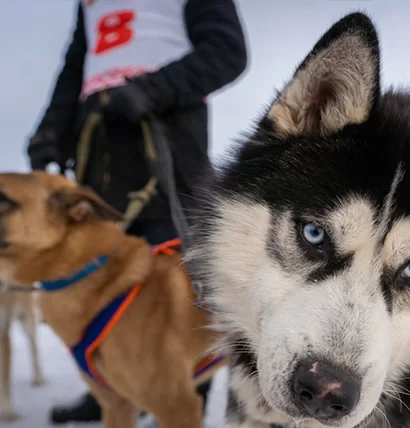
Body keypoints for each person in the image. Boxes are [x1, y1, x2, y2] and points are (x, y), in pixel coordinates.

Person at [26, 0, 248, 424]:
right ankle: (109, 388)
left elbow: (227, 51)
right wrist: (51, 129)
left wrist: (153, 88)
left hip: (166, 141)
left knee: (180, 287)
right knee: (96, 279)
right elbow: (76, 68)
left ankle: (187, 396)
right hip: (99, 149)